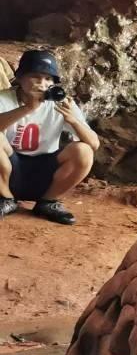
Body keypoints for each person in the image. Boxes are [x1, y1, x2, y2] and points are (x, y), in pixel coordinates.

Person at [0, 49, 99, 224]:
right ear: (20, 77)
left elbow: (94, 143)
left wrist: (73, 121)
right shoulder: (3, 98)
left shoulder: (60, 102)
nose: (42, 83)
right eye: (35, 77)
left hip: (45, 171)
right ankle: (5, 199)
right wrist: (28, 108)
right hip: (8, 169)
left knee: (83, 151)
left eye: (48, 79)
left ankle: (48, 202)